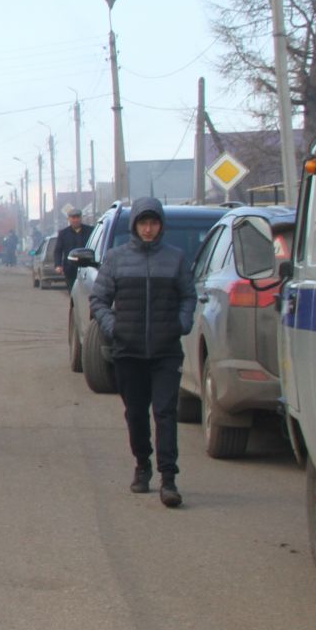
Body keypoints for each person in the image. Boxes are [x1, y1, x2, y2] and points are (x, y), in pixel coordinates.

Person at [89, 197, 195, 507]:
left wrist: (181, 323)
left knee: (165, 413)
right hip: (128, 352)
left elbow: (189, 296)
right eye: (143, 223)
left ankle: (169, 478)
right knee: (136, 414)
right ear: (135, 226)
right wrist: (114, 328)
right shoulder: (116, 259)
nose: (148, 229)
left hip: (166, 351)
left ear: (161, 225)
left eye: (154, 223)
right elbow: (99, 300)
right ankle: (142, 465)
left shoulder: (175, 259)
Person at [55, 207, 91, 290]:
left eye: (77, 217)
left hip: (87, 267)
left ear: (81, 218)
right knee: (73, 291)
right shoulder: (63, 233)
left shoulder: (90, 231)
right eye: (73, 218)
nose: (75, 220)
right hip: (70, 268)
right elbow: (58, 250)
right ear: (69, 219)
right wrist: (58, 265)